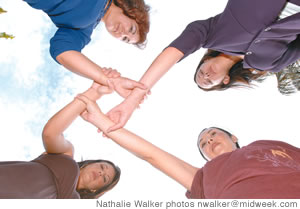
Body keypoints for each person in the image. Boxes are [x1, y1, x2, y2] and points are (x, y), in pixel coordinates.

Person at [105, 0, 300, 132]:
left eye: (201, 73)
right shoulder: (269, 64)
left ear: (204, 60)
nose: (206, 75)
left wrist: (134, 98)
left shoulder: (211, 33)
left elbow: (172, 53)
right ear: (224, 81)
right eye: (208, 81)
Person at [76, 95, 300, 198]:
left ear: (233, 136)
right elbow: (152, 154)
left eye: (213, 134)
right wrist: (101, 122)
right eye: (204, 144)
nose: (209, 140)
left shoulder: (265, 145)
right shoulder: (206, 178)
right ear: (205, 157)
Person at [0, 73, 120, 199]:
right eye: (102, 167)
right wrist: (94, 93)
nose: (101, 173)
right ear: (89, 163)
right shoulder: (65, 156)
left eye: (105, 178)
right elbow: (51, 133)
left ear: (95, 189)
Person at [22, 0, 150, 98]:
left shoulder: (82, 30)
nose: (122, 34)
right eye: (131, 29)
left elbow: (62, 51)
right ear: (132, 10)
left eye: (125, 39)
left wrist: (110, 80)